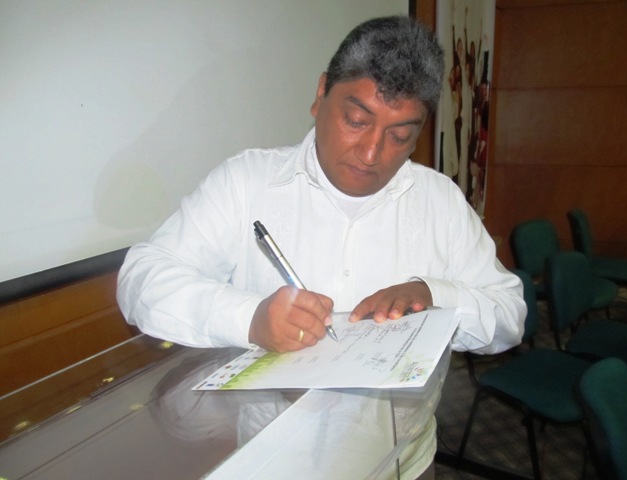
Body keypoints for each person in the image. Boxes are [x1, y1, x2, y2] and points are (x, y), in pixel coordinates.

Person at [117, 15, 525, 479]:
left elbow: (509, 315)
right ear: (320, 93)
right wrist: (249, 318)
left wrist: (436, 295)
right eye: (356, 120)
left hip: (401, 464)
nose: (370, 153)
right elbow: (142, 278)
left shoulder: (440, 203)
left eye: (399, 136)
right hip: (273, 464)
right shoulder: (246, 183)